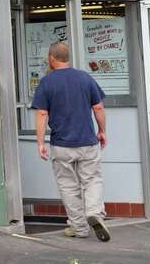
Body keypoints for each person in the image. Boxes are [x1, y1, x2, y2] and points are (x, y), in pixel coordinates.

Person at [31, 41, 111, 242]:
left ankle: (79, 228)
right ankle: (94, 213)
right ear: (68, 58)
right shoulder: (84, 78)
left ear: (51, 58)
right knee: (92, 180)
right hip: (87, 141)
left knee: (68, 186)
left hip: (61, 145)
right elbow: (98, 107)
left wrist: (40, 142)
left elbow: (42, 113)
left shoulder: (46, 82)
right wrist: (102, 131)